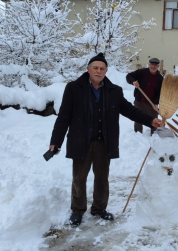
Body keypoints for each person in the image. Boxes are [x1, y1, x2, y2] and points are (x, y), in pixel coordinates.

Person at [48, 53, 161, 227]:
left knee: (102, 177)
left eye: (102, 68)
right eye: (95, 67)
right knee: (79, 178)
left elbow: (130, 110)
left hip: (103, 141)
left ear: (106, 71)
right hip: (80, 141)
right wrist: (56, 140)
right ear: (88, 69)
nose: (98, 71)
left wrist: (150, 120)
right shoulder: (73, 88)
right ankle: (78, 210)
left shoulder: (114, 91)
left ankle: (99, 208)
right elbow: (64, 116)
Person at [126, 58, 163, 134]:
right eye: (152, 64)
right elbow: (129, 76)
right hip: (139, 100)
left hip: (151, 103)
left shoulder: (160, 78)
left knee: (154, 118)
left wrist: (156, 103)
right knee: (138, 117)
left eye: (155, 65)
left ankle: (154, 134)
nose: (153, 66)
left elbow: (159, 92)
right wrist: (133, 81)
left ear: (158, 66)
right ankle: (137, 134)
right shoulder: (142, 72)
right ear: (149, 64)